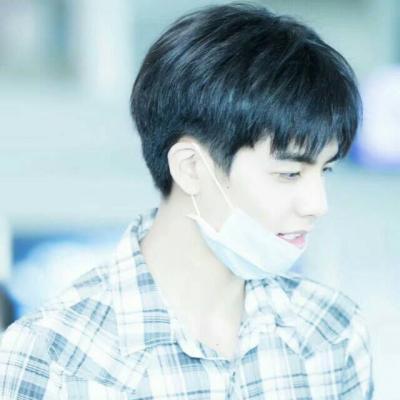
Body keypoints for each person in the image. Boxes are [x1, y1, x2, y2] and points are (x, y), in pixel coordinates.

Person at [0, 3, 374, 399]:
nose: (317, 204)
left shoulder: (331, 333)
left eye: (325, 170)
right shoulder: (52, 357)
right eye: (290, 173)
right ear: (191, 167)